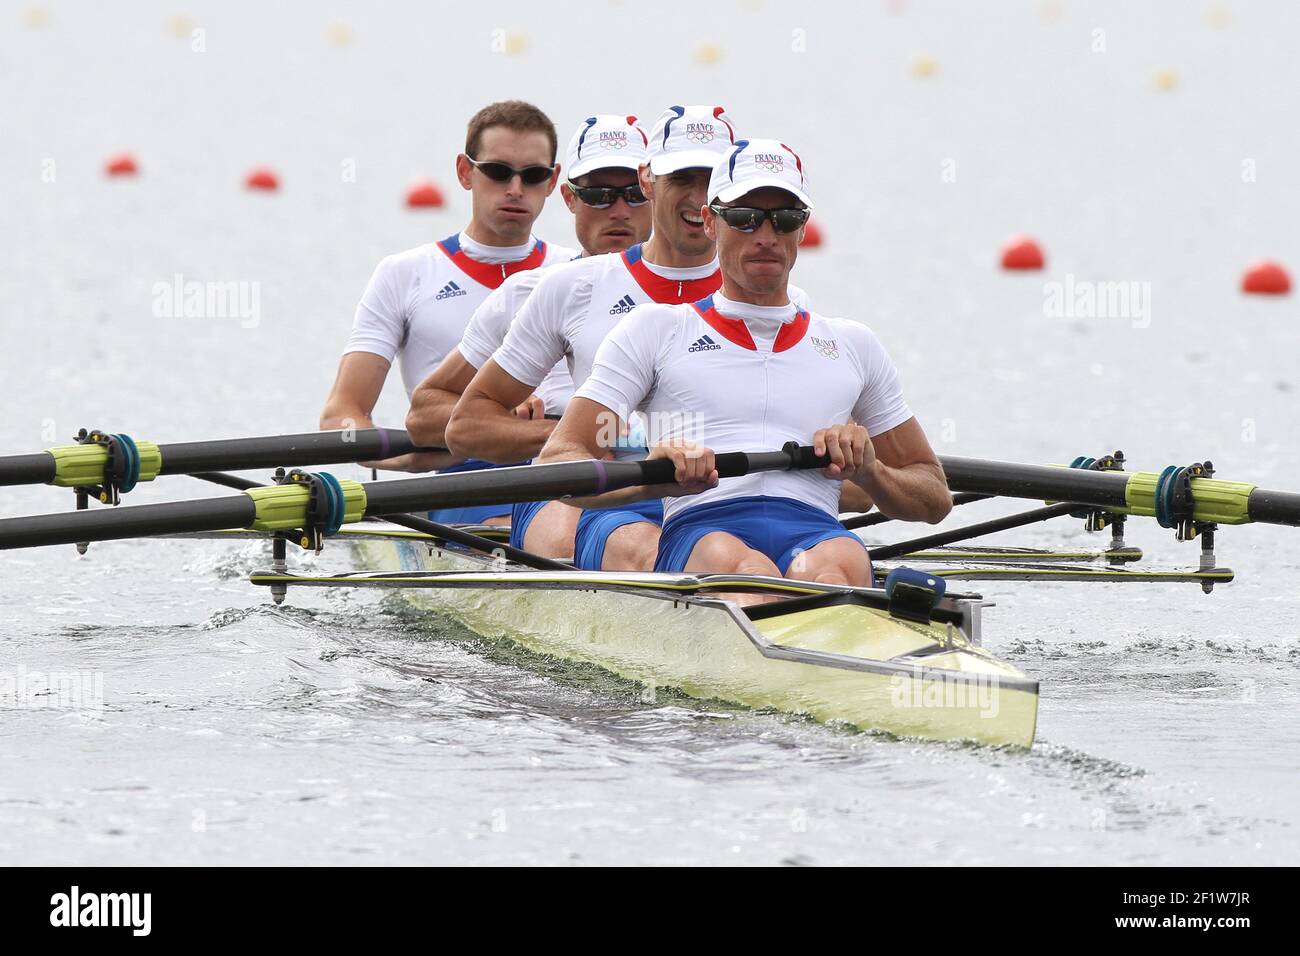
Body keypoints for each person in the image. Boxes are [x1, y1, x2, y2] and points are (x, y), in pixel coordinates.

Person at [537, 138, 951, 594]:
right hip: (703, 528)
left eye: (784, 219)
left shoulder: (852, 344)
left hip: (814, 529)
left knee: (840, 562)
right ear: (712, 223)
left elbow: (933, 497)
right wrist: (654, 475)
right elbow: (563, 461)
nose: (766, 237)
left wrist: (872, 470)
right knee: (741, 567)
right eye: (745, 218)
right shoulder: (655, 331)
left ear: (803, 228)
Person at [445, 105, 745, 568]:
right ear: (652, 181)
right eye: (683, 179)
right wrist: (580, 437)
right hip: (588, 493)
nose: (698, 196)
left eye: (711, 181)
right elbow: (464, 426)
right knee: (578, 538)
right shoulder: (565, 288)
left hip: (714, 491)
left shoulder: (765, 298)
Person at [318, 100, 576, 487]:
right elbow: (341, 415)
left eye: (534, 175)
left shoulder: (578, 272)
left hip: (567, 470)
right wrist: (406, 459)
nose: (516, 189)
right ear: (464, 171)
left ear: (553, 181)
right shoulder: (404, 274)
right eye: (498, 172)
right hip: (457, 478)